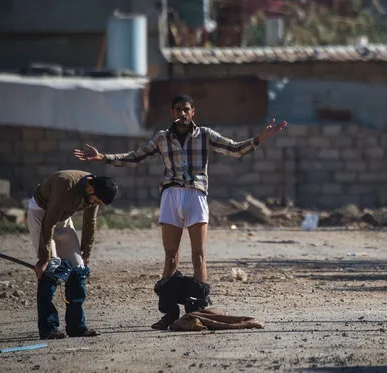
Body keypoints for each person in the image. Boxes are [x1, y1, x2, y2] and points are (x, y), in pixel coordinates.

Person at [73, 94, 287, 330]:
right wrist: (104, 157)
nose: (182, 113)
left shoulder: (205, 134)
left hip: (196, 194)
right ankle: (169, 313)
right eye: (178, 109)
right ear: (172, 112)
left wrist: (261, 137)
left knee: (199, 255)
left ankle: (199, 309)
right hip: (171, 195)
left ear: (193, 112)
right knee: (171, 256)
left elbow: (235, 149)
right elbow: (136, 156)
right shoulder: (162, 138)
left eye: (186, 109)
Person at [27, 170, 118, 339]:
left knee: (78, 269)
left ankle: (76, 327)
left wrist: (86, 253)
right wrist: (43, 259)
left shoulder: (94, 192)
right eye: (96, 201)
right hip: (41, 215)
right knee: (52, 268)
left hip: (62, 218)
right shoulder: (65, 185)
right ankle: (48, 328)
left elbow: (90, 222)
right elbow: (49, 222)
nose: (94, 204)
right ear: (91, 189)